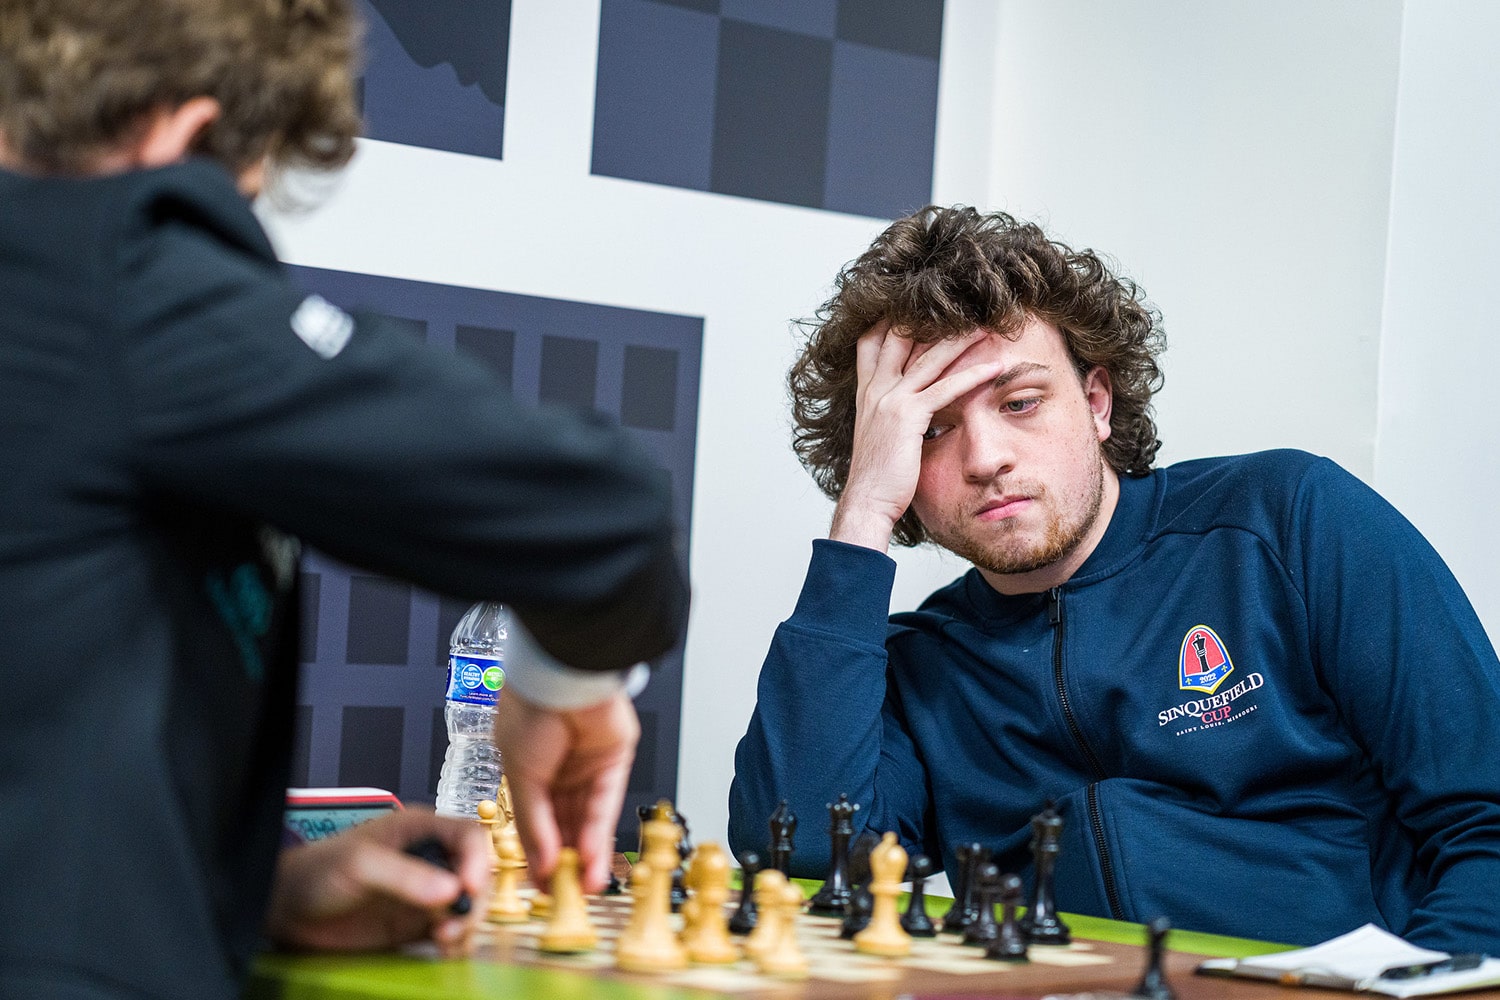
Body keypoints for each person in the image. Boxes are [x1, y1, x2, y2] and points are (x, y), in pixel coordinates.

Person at [0, 2, 687, 998]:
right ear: (183, 137)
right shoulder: (100, 265)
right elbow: (607, 515)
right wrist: (566, 685)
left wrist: (266, 891)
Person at [728, 205, 1500, 952]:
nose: (987, 457)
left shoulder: (1285, 522)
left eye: (1021, 402)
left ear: (1095, 402)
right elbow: (795, 854)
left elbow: (1486, 823)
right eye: (931, 430)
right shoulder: (914, 666)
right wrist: (861, 517)